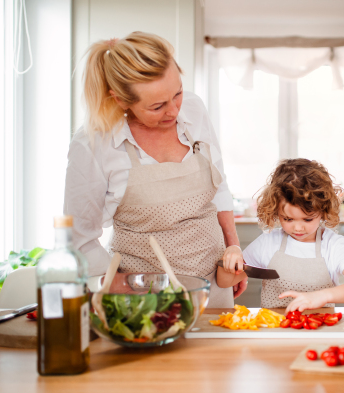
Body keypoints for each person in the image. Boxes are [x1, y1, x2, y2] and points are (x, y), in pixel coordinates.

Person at [64, 31, 246, 307]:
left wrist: (234, 248)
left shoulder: (194, 109)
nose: (173, 111)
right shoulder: (94, 143)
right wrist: (123, 288)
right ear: (121, 100)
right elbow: (79, 239)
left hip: (213, 288)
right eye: (158, 106)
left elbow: (218, 184)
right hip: (141, 297)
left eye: (178, 93)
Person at [220, 158, 344, 312]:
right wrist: (232, 254)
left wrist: (322, 296)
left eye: (307, 219)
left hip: (320, 331)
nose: (298, 227)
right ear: (276, 210)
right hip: (275, 332)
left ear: (323, 210)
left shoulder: (332, 244)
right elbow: (225, 282)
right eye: (288, 219)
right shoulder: (268, 243)